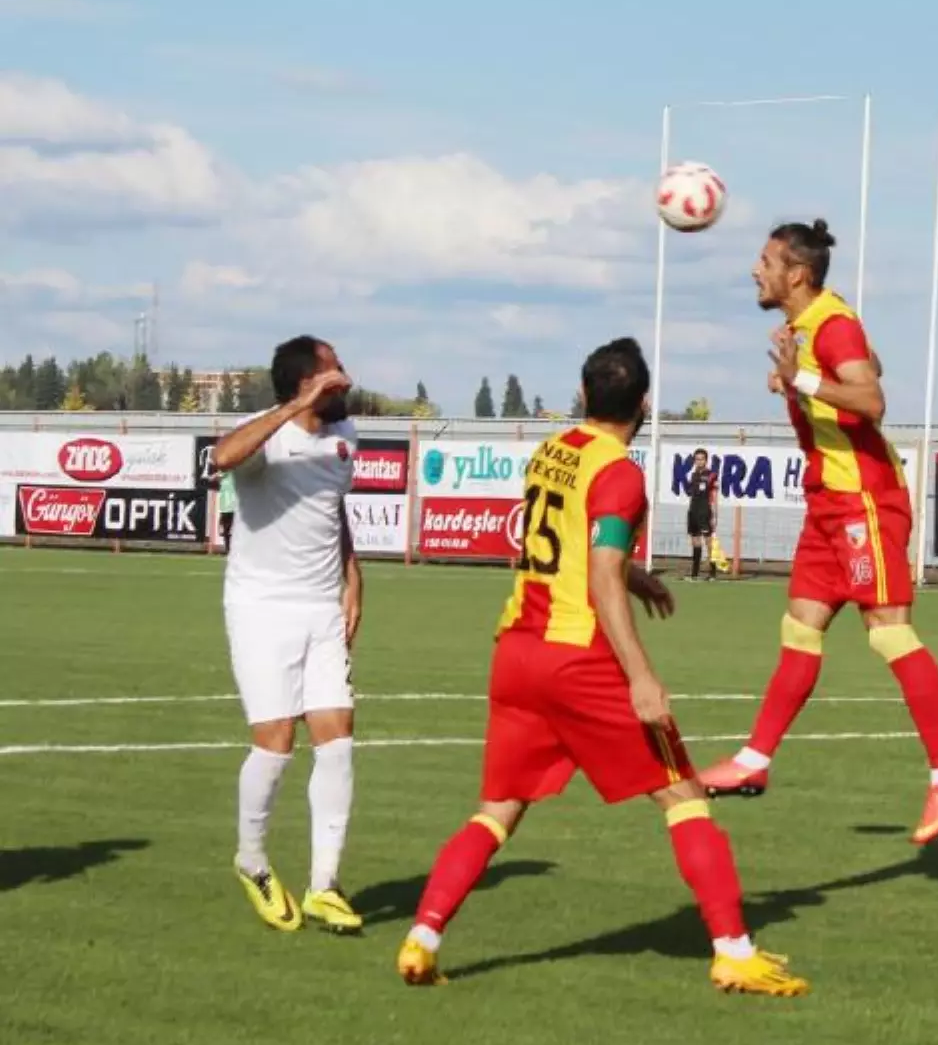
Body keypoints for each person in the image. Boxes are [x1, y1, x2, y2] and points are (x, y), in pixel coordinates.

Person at [397, 337, 809, 997]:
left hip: (516, 652)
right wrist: (641, 674)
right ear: (644, 404)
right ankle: (733, 951)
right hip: (576, 661)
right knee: (684, 795)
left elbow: (572, 548)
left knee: (497, 810)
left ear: (584, 396)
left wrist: (634, 575)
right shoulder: (620, 473)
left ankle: (423, 937)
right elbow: (600, 572)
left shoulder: (552, 450)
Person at [699, 221, 938, 846]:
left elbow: (872, 398)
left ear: (797, 273)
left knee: (890, 635)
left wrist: (800, 381)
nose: (755, 270)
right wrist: (801, 379)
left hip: (865, 502)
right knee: (800, 629)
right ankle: (754, 760)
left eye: (766, 260)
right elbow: (868, 363)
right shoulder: (814, 326)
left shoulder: (829, 323)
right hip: (826, 502)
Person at [212, 334, 365, 934]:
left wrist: (353, 578)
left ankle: (325, 884)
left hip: (321, 607)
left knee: (338, 735)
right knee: (275, 742)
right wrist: (291, 409)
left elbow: (333, 511)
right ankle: (251, 862)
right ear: (306, 383)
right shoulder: (263, 437)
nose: (346, 380)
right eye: (333, 373)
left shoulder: (345, 438)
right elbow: (223, 457)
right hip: (260, 608)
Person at [684, 448, 718, 581]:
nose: (699, 461)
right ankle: (695, 574)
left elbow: (714, 495)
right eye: (697, 459)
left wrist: (715, 514)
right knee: (695, 541)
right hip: (693, 510)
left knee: (708, 541)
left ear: (706, 460)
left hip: (705, 511)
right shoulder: (693, 475)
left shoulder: (711, 475)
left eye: (701, 459)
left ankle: (712, 573)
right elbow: (690, 492)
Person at [218, 468, 237, 553]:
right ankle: (228, 548)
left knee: (233, 529)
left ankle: (232, 548)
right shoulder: (222, 479)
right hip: (224, 508)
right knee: (226, 530)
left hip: (233, 507)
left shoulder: (232, 475)